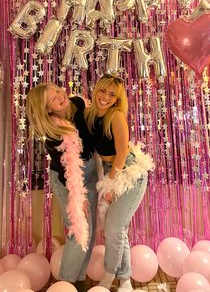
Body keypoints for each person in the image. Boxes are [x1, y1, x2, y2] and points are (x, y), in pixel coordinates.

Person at [85, 74, 154, 292]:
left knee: (114, 228)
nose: (105, 97)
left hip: (129, 173)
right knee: (118, 229)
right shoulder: (90, 114)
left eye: (112, 94)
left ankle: (110, 273)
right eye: (103, 91)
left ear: (117, 99)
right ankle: (125, 280)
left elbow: (122, 153)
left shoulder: (115, 117)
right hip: (109, 171)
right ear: (96, 90)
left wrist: (111, 186)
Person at [26, 83, 98, 292]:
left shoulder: (76, 104)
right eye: (52, 98)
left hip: (90, 170)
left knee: (90, 232)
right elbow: (69, 170)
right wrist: (79, 198)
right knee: (79, 231)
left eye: (57, 90)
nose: (60, 96)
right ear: (47, 109)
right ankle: (65, 284)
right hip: (68, 180)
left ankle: (79, 281)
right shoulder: (54, 135)